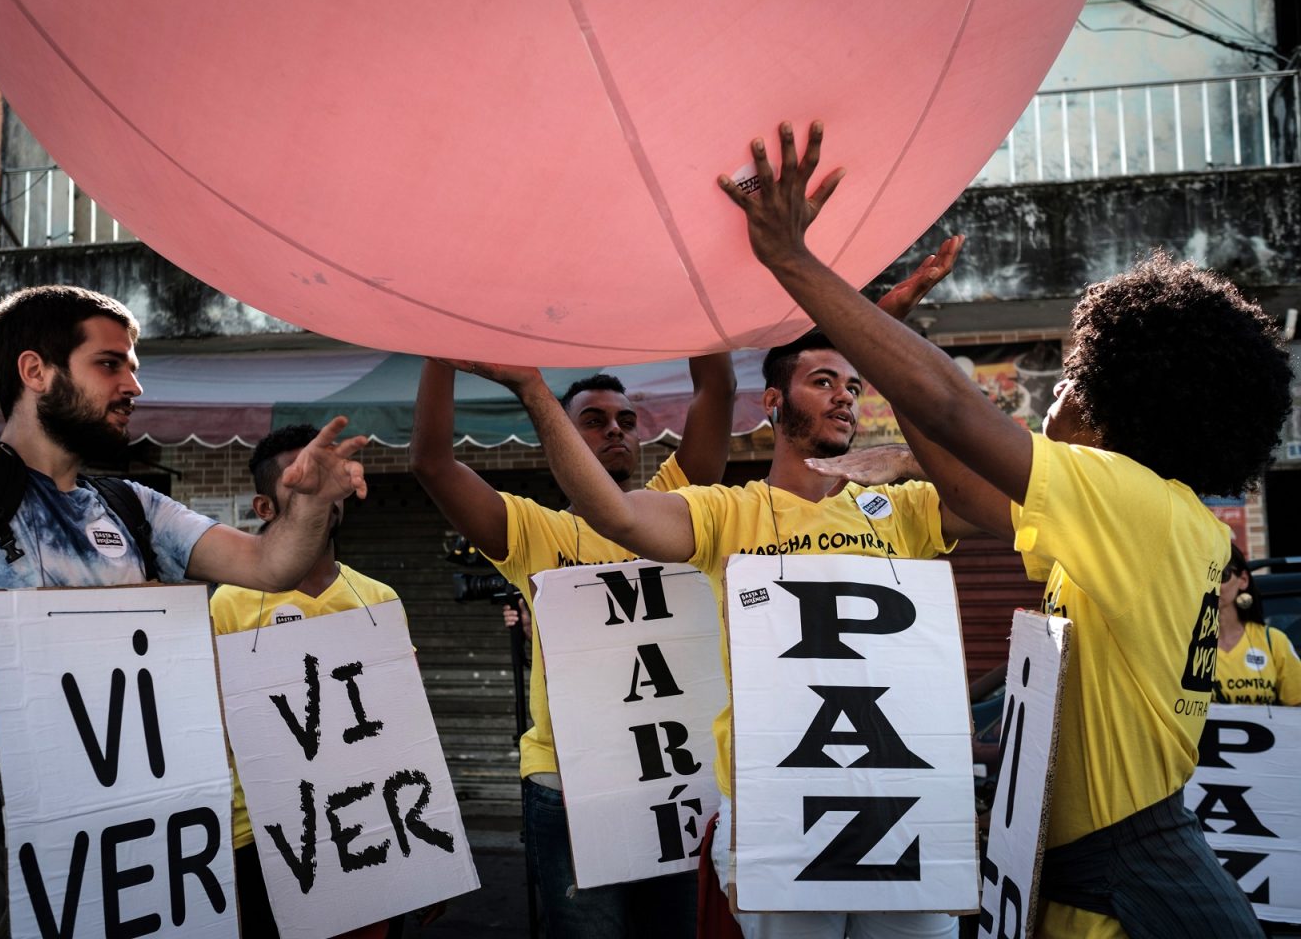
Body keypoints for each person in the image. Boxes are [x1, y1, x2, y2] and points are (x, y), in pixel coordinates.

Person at [708, 121, 1291, 937]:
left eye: (1069, 382)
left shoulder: (1129, 501)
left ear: (1109, 409)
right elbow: (958, 476)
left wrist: (792, 259)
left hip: (1120, 893)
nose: (1052, 398)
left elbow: (954, 407)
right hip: (1108, 872)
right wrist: (883, 333)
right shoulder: (1165, 519)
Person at [0, 0, 367, 938]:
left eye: (134, 369)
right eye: (110, 365)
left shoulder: (136, 509)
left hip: (124, 845)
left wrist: (305, 509)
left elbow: (270, 568)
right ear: (35, 371)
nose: (132, 388)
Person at [446, 240, 973, 939]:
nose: (845, 395)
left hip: (899, 805)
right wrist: (536, 390)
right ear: (776, 401)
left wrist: (890, 377)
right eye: (823, 381)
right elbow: (616, 512)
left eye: (854, 384)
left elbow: (988, 490)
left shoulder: (899, 507)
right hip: (781, 813)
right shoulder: (729, 510)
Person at [409, 356, 734, 938]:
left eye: (627, 420)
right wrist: (440, 348)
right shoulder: (538, 531)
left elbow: (718, 386)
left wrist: (703, 285)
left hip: (678, 777)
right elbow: (432, 463)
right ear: (556, 430)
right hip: (569, 782)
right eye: (593, 419)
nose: (616, 429)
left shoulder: (680, 505)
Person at [211, 425, 405, 939]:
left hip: (372, 822)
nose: (321, 490)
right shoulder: (229, 603)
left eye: (328, 478)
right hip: (260, 836)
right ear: (264, 508)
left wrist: (432, 845)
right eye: (302, 481)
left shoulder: (378, 599)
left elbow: (405, 733)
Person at [1213, 543, 1301, 706]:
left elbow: (1297, 707)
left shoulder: (1274, 641)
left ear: (1243, 580)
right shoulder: (1185, 644)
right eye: (1202, 575)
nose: (1211, 582)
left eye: (1221, 574)